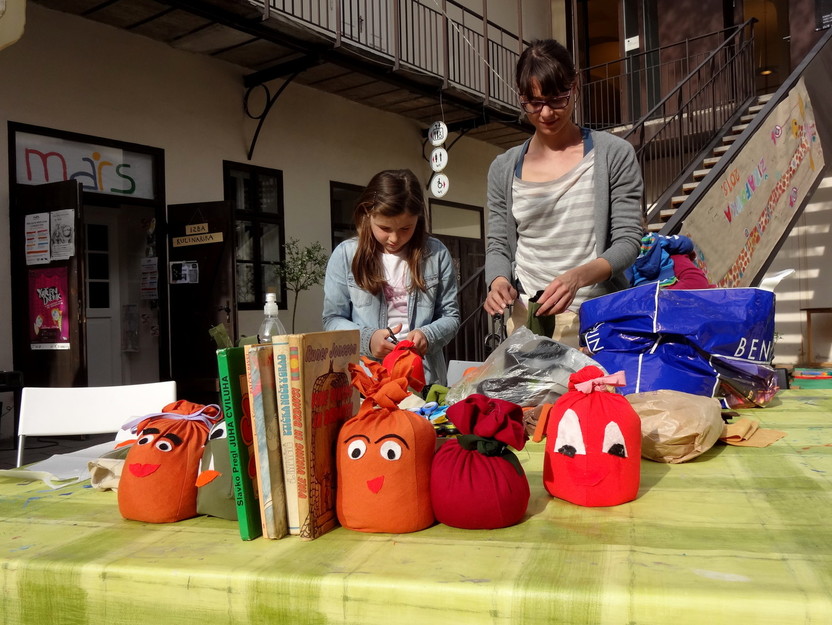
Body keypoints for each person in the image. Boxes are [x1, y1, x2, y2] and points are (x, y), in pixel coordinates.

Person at [484, 39, 644, 347]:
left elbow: (627, 241)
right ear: (521, 97)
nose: (546, 113)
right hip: (528, 322)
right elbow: (498, 245)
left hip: (598, 322)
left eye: (558, 99)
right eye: (534, 103)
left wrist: (577, 278)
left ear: (576, 85)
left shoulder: (613, 154)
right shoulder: (503, 168)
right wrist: (499, 281)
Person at [323, 168, 460, 387]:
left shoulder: (436, 253)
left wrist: (428, 335)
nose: (395, 238)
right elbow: (332, 320)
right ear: (367, 214)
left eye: (406, 228)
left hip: (423, 379)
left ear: (418, 219)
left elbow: (451, 316)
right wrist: (368, 339)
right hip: (367, 380)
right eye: (384, 228)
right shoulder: (346, 255)